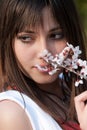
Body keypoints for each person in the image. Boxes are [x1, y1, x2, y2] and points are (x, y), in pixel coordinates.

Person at [0, 0, 87, 129]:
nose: (44, 52)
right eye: (26, 38)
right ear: (8, 42)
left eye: (56, 35)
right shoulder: (12, 113)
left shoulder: (73, 88)